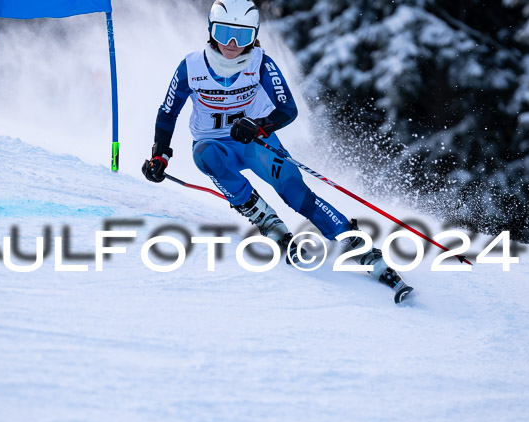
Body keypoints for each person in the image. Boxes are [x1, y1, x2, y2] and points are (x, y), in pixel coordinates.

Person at [142, 0, 399, 289]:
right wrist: (160, 155)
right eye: (224, 32)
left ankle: (356, 244)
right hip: (216, 146)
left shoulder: (260, 62)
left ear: (254, 35)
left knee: (294, 193)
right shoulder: (191, 67)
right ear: (211, 31)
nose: (231, 44)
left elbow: (288, 108)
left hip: (255, 142)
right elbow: (168, 111)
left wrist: (259, 125)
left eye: (242, 36)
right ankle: (265, 219)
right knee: (205, 155)